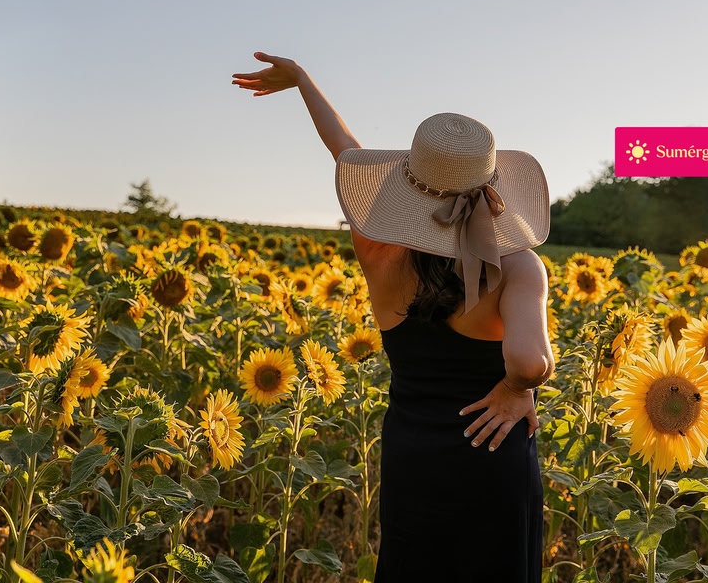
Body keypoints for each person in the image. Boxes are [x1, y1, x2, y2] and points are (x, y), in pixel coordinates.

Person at [232, 52, 554, 582]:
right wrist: (518, 389)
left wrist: (303, 81)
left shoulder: (377, 247)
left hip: (415, 455)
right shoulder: (519, 265)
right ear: (493, 184)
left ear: (407, 183)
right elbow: (528, 358)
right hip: (492, 453)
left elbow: (348, 154)